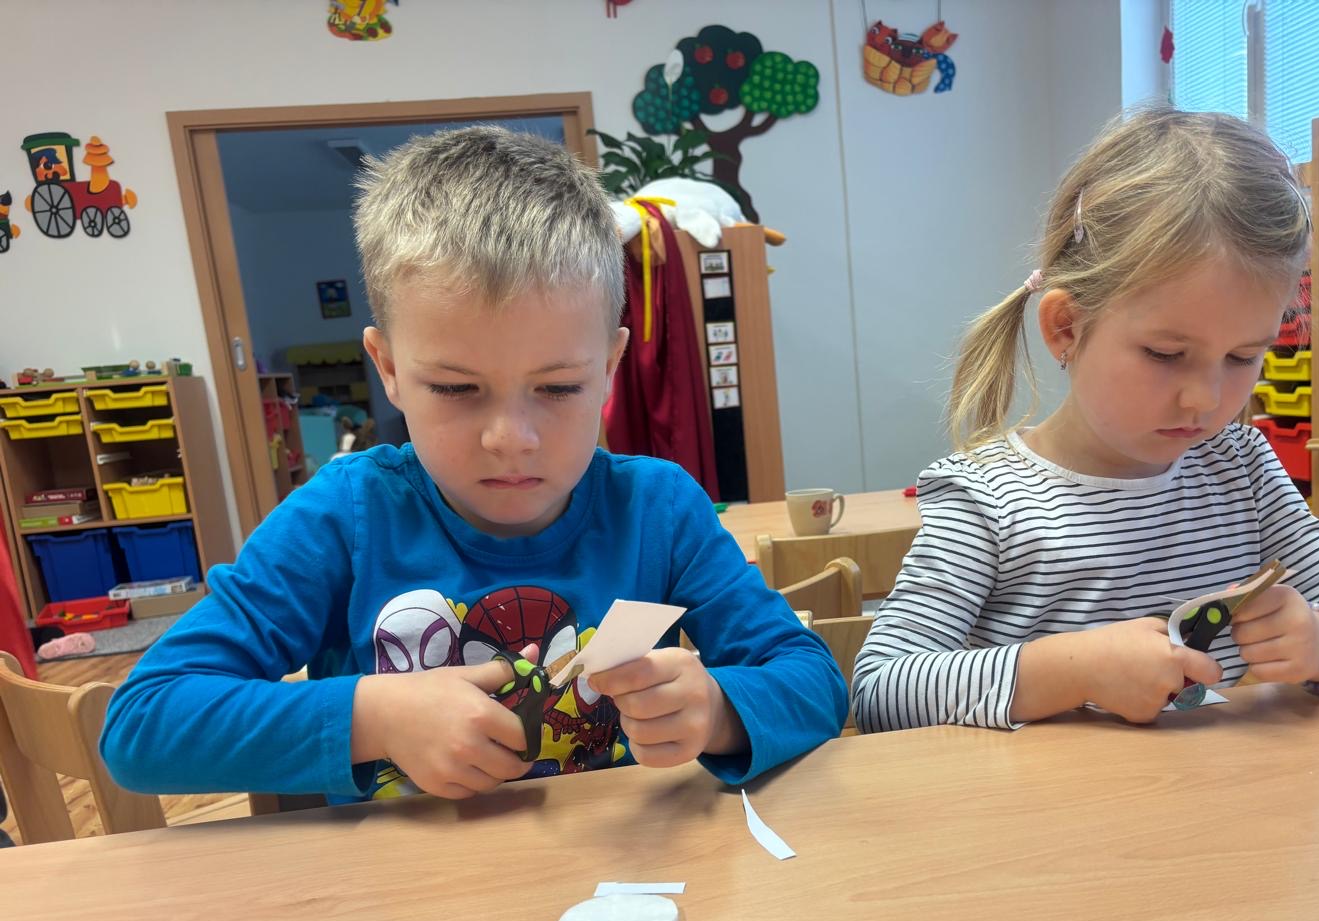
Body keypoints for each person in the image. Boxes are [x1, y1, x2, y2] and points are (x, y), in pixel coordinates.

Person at [103, 126, 845, 803]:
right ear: (388, 369)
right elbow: (142, 723)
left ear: (610, 367)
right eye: (456, 389)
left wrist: (716, 709)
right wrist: (374, 718)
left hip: (628, 889)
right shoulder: (345, 516)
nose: (510, 438)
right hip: (407, 898)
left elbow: (812, 678)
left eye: (559, 387)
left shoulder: (659, 509)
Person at [853, 106, 1319, 733]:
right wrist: (1074, 671)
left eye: (1242, 357)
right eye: (1165, 354)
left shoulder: (1242, 468)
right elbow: (880, 692)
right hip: (1051, 797)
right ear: (1066, 327)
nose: (1204, 398)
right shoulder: (986, 499)